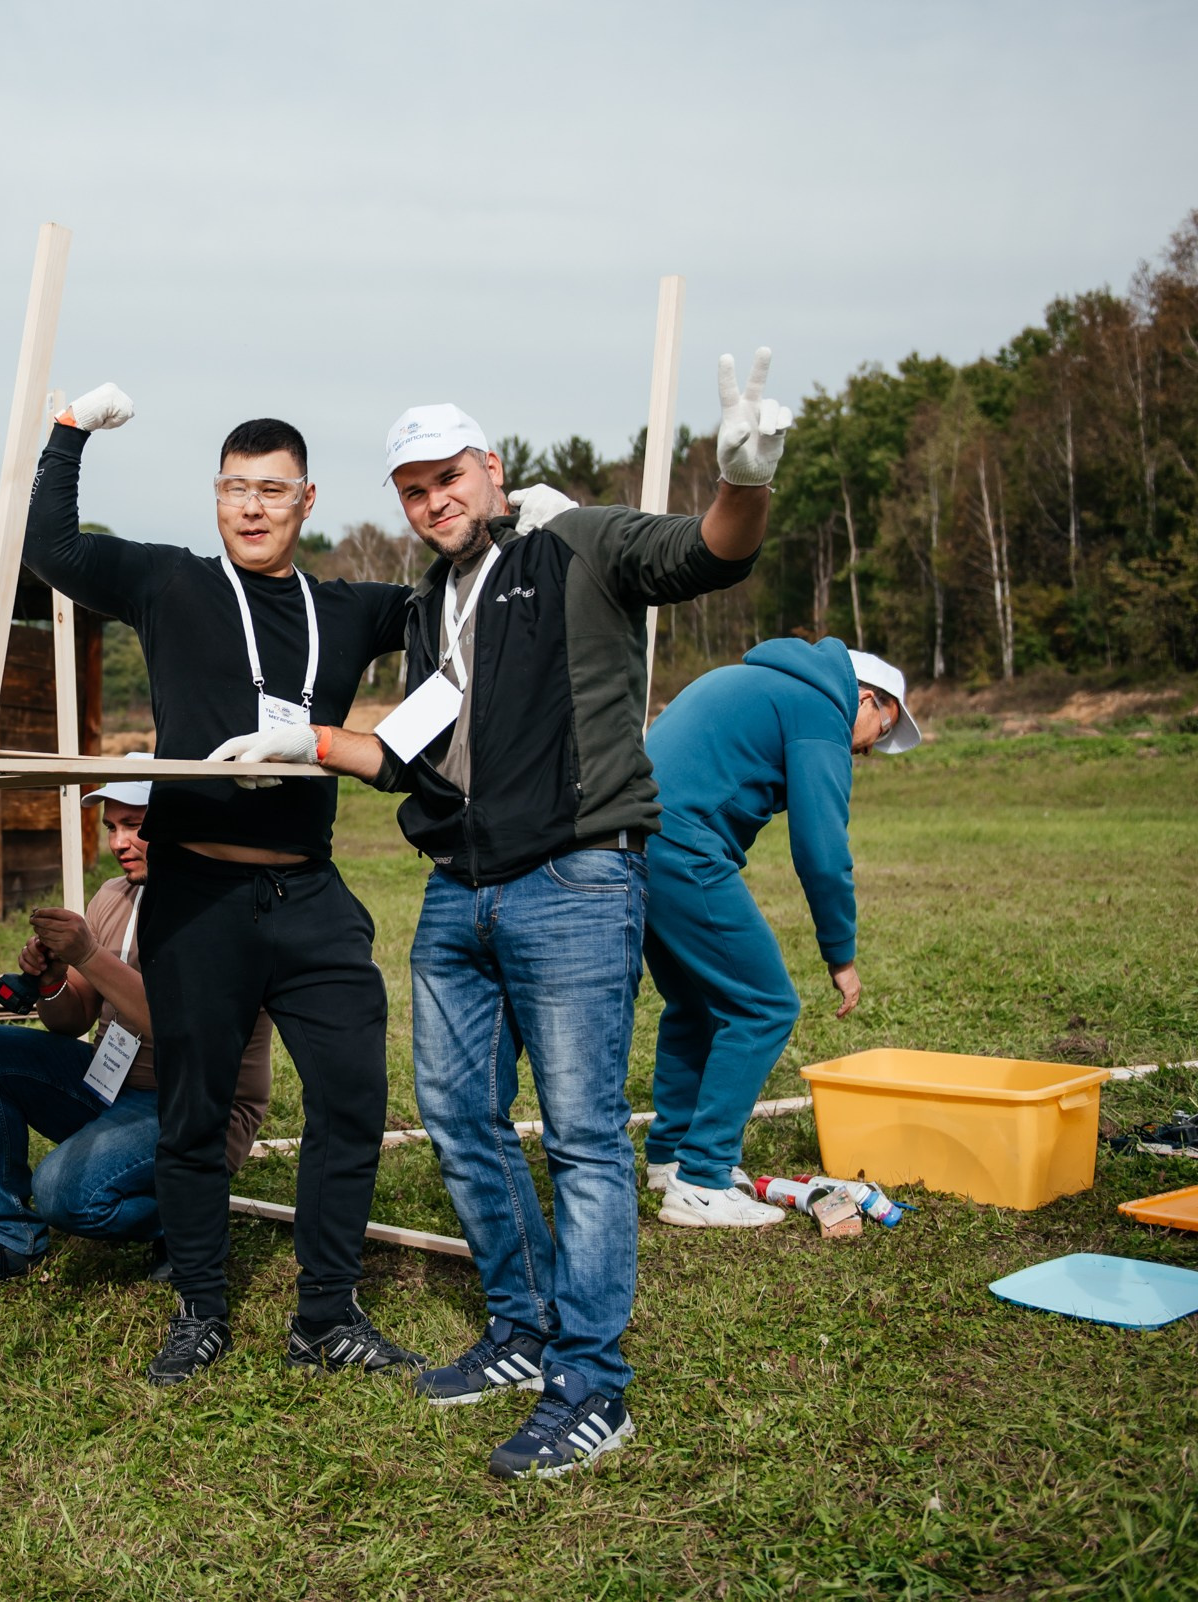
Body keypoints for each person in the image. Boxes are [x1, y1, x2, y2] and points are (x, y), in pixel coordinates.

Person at [297, 350, 790, 1479]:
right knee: (459, 1119)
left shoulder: (577, 544)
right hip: (455, 892)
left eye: (448, 477)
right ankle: (521, 1329)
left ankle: (593, 1382)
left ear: (491, 466)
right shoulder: (429, 606)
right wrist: (309, 744)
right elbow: (410, 753)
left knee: (577, 1137)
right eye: (413, 489)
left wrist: (746, 478)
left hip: (573, 883)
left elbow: (709, 551)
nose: (433, 501)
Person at [22, 386, 568, 1385]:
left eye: (273, 490)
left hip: (308, 894)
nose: (253, 507)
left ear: (306, 500)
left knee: (354, 1096)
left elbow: (465, 609)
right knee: (191, 1111)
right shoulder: (170, 586)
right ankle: (199, 1309)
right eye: (236, 488)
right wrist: (66, 437)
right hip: (199, 896)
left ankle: (325, 1314)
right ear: (217, 496)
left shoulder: (348, 608)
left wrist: (515, 526)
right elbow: (53, 551)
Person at [0, 765, 276, 1295]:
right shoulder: (116, 895)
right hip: (116, 1087)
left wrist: (86, 953)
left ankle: (188, 1217)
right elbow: (72, 1021)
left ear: (178, 822)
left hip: (200, 1106)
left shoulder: (227, 908)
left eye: (134, 824)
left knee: (63, 1193)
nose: (119, 842)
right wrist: (50, 981)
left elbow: (175, 1031)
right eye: (112, 827)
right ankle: (10, 1237)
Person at [640, 641, 917, 1227]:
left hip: (635, 840)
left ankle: (671, 1155)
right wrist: (840, 956)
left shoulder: (768, 682)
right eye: (878, 733)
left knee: (693, 1003)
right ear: (867, 699)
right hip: (682, 844)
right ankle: (701, 1180)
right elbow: (822, 851)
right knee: (765, 1006)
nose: (866, 751)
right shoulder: (822, 709)